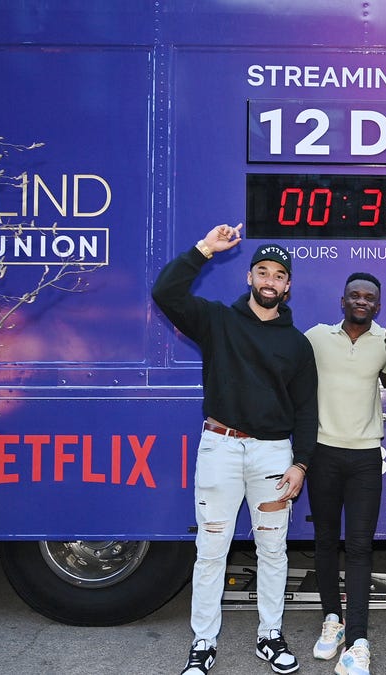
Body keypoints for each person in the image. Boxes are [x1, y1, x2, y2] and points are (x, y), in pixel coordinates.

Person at [152, 223, 317, 675]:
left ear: (287, 286)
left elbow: (307, 411)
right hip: (220, 448)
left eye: (278, 275)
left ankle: (270, 636)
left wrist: (301, 463)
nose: (269, 280)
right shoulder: (217, 321)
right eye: (261, 271)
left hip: (273, 455)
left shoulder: (297, 344)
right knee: (211, 550)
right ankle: (203, 644)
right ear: (249, 277)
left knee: (273, 550)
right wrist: (204, 248)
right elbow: (165, 292)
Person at [304, 272, 386, 675]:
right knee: (325, 541)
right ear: (342, 301)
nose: (361, 301)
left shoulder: (384, 343)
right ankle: (332, 621)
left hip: (364, 460)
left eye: (369, 298)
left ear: (377, 306)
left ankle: (358, 639)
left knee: (359, 547)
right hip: (322, 454)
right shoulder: (316, 337)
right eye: (354, 295)